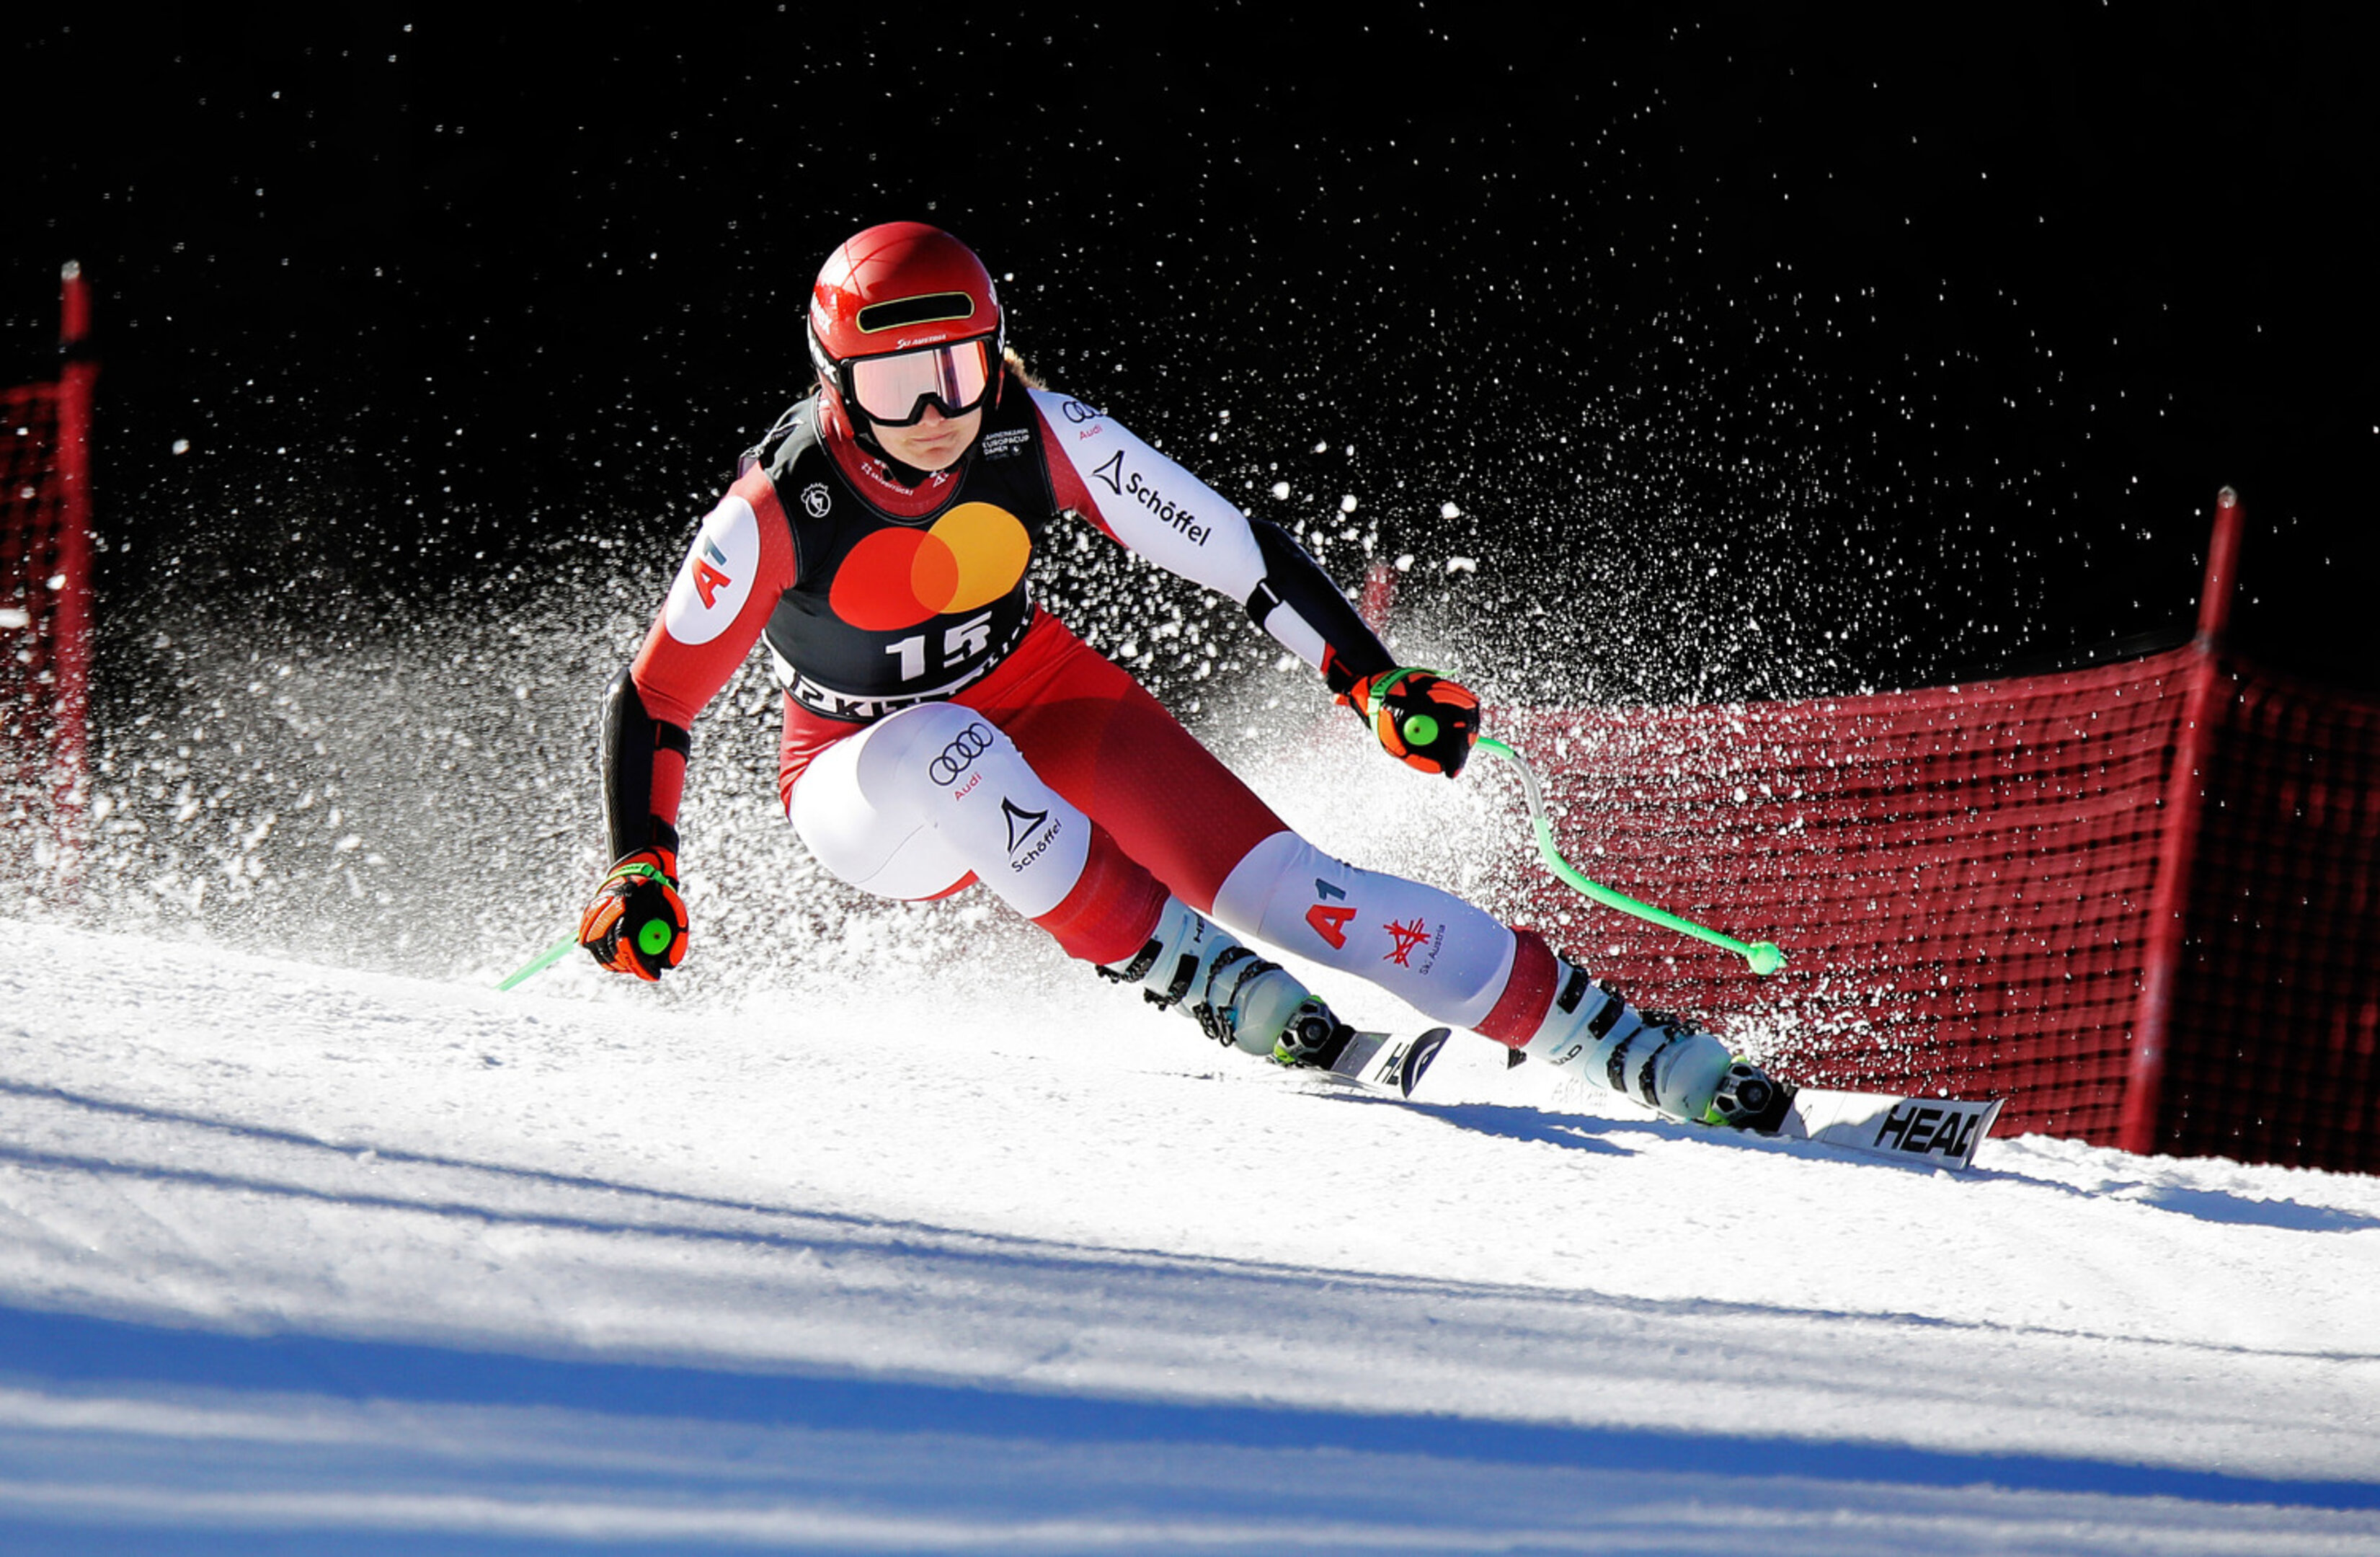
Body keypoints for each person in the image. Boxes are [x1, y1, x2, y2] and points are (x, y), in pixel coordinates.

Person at [577, 221, 1748, 1127]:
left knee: (1301, 888)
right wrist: (643, 863)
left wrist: (1367, 681)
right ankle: (1204, 979)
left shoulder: (1039, 430)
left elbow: (1231, 549)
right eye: (894, 385)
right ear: (834, 381)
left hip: (1040, 693)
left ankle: (1619, 1044)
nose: (934, 412)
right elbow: (657, 698)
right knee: (945, 746)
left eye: (958, 369)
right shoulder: (776, 509)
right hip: (864, 780)